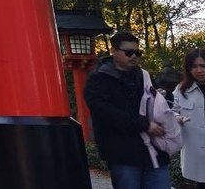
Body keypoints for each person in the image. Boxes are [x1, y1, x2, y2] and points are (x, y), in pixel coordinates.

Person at [85, 31, 171, 189]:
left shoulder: (144, 76)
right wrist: (143, 125)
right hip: (122, 153)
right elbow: (104, 112)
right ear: (114, 51)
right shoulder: (99, 79)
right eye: (129, 52)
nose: (134, 56)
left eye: (137, 52)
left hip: (154, 151)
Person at [174, 48, 205, 188]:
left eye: (203, 66)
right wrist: (177, 118)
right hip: (196, 151)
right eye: (194, 66)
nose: (199, 70)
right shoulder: (182, 90)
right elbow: (171, 110)